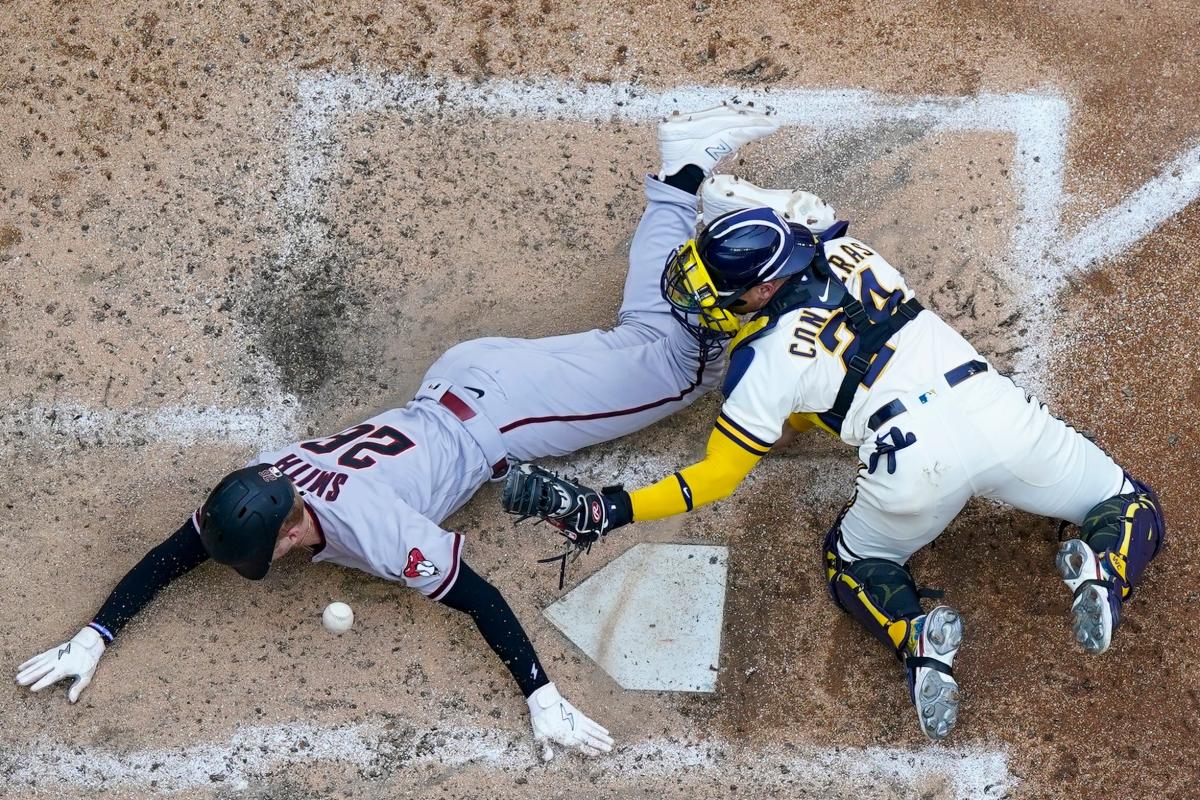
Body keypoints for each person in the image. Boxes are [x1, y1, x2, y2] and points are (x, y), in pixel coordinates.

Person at [14, 104, 780, 759]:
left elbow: (477, 596)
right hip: (461, 379)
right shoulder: (265, 478)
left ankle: (763, 253)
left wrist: (541, 696)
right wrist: (97, 633)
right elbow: (184, 546)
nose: (266, 564)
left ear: (287, 535)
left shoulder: (373, 529)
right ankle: (681, 184)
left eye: (267, 556)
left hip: (511, 413)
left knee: (681, 367)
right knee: (641, 336)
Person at [500, 174, 1166, 741]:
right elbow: (776, 204)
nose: (712, 307)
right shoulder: (838, 244)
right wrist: (720, 193)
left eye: (720, 295)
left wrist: (609, 507)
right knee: (1130, 504)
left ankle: (918, 636)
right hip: (995, 413)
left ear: (760, 291)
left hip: (912, 467)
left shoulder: (760, 365)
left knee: (855, 562)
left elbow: (717, 477)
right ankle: (1104, 569)